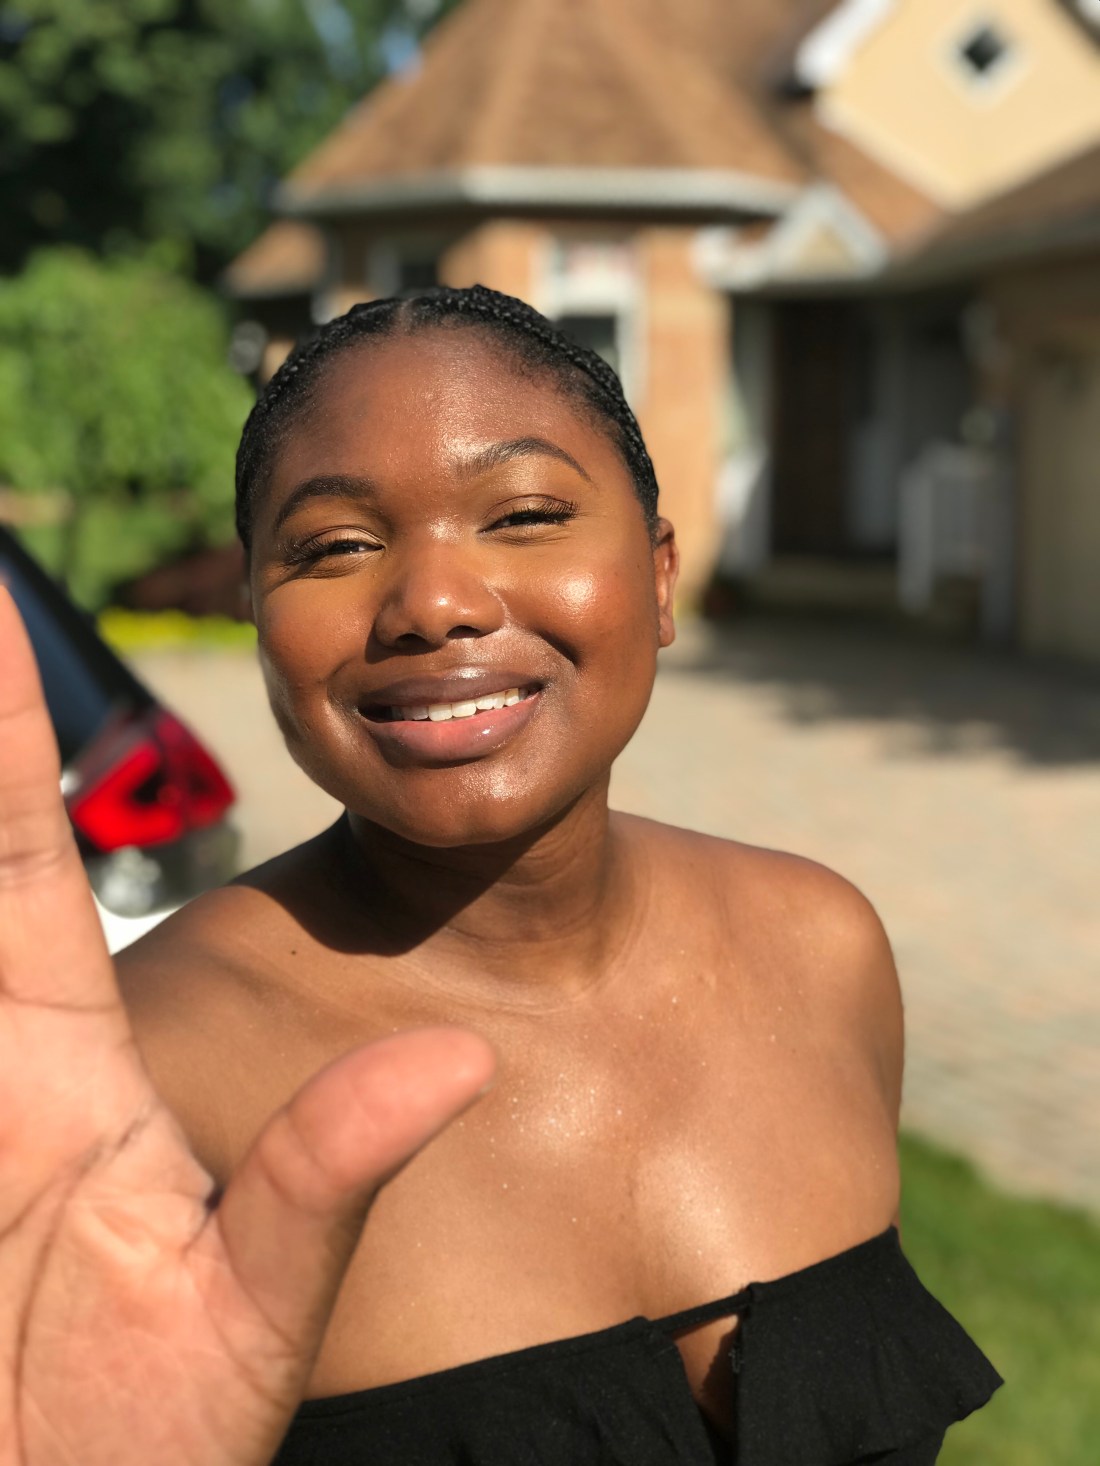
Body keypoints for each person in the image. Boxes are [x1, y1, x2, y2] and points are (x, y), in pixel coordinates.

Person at [0, 285, 999, 1465]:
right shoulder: (141, 1074)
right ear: (257, 611)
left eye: (523, 514)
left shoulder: (820, 949)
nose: (433, 604)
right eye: (337, 545)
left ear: (660, 575)